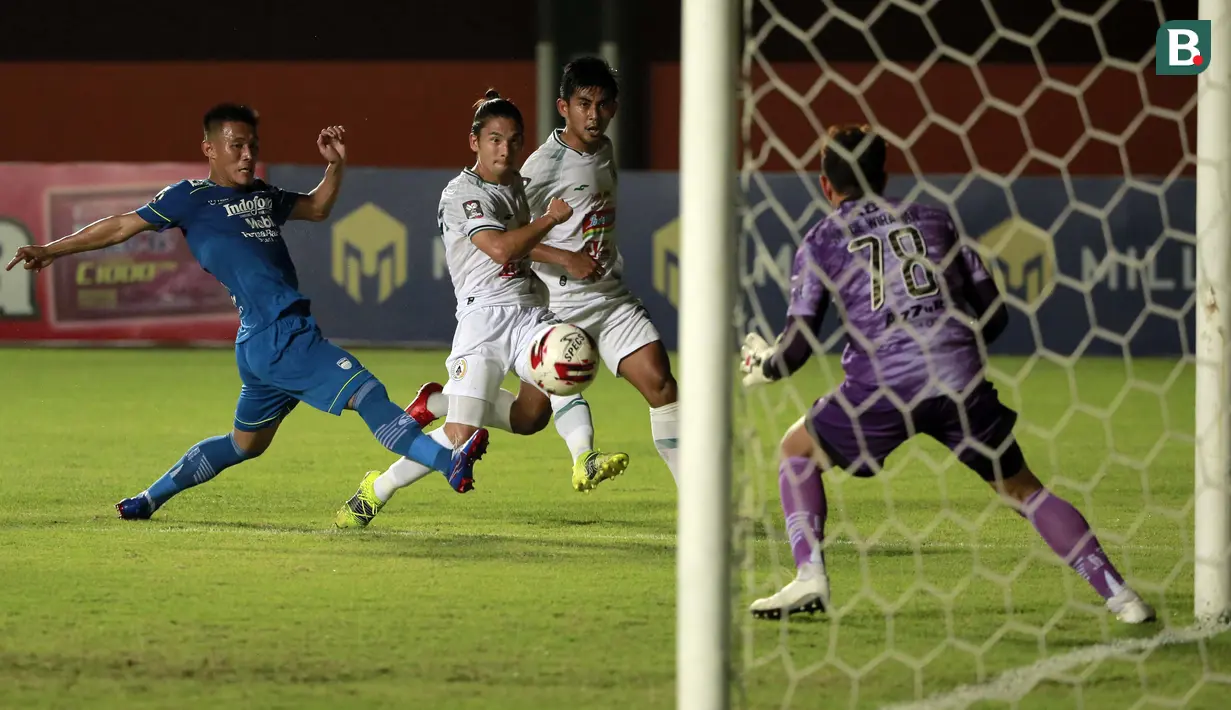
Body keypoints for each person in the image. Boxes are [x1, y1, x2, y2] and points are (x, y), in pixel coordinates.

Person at [739, 123, 1155, 624]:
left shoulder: (823, 239)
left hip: (883, 387)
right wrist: (946, 348)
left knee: (795, 450)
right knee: (1025, 491)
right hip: (958, 379)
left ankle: (810, 577)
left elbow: (799, 347)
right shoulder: (935, 221)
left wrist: (766, 364)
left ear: (826, 185)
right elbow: (995, 314)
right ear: (884, 173)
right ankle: (1121, 596)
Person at [4, 103, 489, 519]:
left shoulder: (261, 196)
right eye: (235, 145)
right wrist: (52, 249)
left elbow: (317, 208)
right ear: (209, 149)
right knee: (367, 392)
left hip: (260, 343)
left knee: (244, 445)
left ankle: (147, 500)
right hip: (281, 337)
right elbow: (121, 227)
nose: (247, 154)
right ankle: (448, 463)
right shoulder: (189, 198)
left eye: (252, 145)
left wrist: (335, 167)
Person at [333, 90, 630, 528]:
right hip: (484, 321)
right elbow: (499, 248)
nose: (504, 150)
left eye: (513, 141)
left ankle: (584, 458)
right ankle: (376, 489)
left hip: (528, 310)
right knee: (459, 437)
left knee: (549, 390)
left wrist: (562, 256)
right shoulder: (461, 195)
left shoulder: (513, 184)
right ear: (474, 142)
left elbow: (523, 248)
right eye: (493, 139)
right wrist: (550, 219)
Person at [406, 57, 681, 492]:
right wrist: (565, 257)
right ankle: (449, 405)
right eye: (583, 103)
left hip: (609, 297)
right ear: (563, 107)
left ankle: (695, 501)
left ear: (614, 108)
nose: (594, 115)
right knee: (529, 417)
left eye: (603, 104)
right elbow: (510, 234)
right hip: (560, 301)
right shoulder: (539, 167)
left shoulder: (604, 150)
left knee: (661, 383)